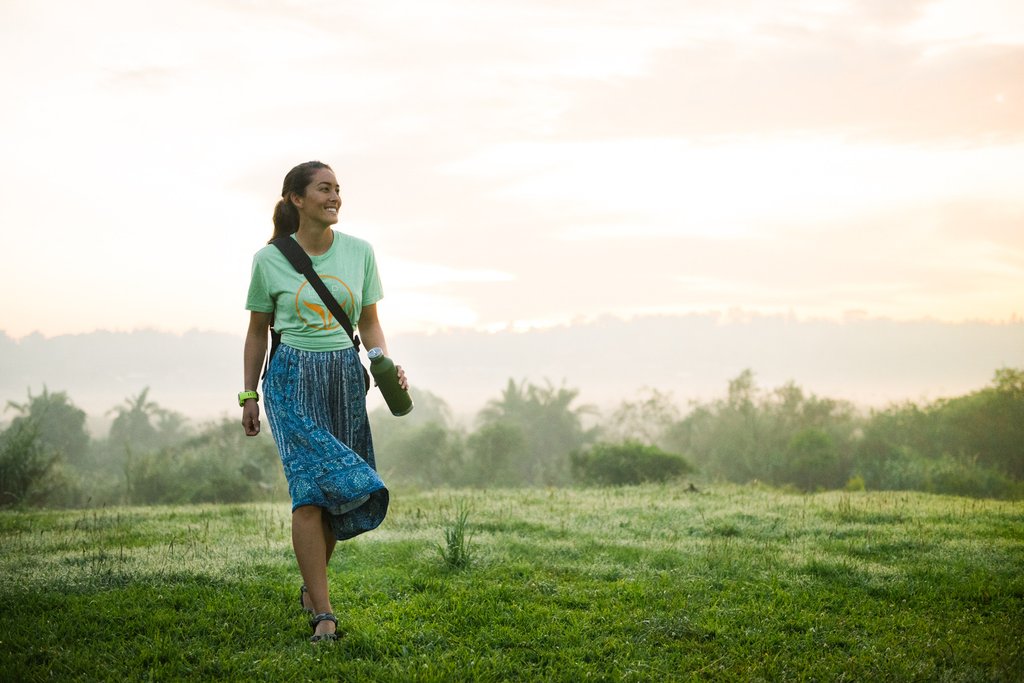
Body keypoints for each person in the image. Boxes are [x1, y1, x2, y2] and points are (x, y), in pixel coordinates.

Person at [240, 161, 407, 642]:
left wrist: (381, 361)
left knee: (336, 490)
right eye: (323, 189)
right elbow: (256, 333)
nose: (334, 196)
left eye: (338, 189)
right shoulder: (268, 260)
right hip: (291, 380)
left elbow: (369, 322)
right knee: (309, 491)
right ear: (296, 198)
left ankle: (311, 587)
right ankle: (324, 615)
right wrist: (249, 394)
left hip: (344, 379)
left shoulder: (360, 252)